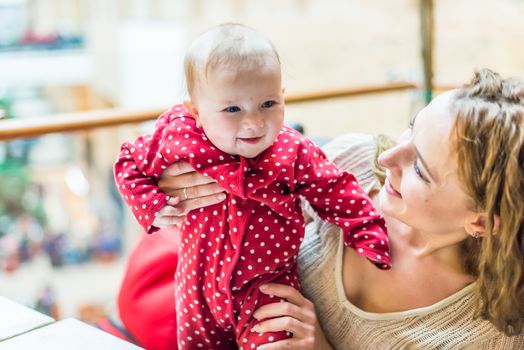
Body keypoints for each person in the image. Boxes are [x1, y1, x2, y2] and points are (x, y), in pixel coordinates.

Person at [111, 68, 523, 349]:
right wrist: (175, 178)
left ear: (483, 221)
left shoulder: (488, 335)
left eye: (418, 167)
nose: (387, 159)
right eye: (411, 127)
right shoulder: (355, 161)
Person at [113, 23, 391, 349]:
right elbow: (129, 161)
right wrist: (151, 204)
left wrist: (367, 231)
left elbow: (336, 189)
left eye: (268, 104)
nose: (254, 122)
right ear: (197, 112)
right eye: (233, 109)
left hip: (264, 290)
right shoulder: (180, 136)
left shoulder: (293, 151)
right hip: (196, 289)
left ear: (282, 96)